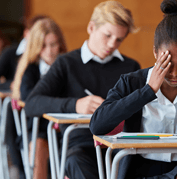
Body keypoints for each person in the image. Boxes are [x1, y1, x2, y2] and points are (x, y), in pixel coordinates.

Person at [90, 0, 177, 178]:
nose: (174, 73)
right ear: (155, 52)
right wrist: (148, 91)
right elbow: (97, 125)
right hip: (141, 169)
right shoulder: (132, 82)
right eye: (167, 63)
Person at [24, 1, 140, 179]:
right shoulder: (66, 63)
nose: (112, 44)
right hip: (81, 146)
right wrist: (75, 104)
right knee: (77, 161)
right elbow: (32, 103)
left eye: (119, 39)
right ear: (91, 27)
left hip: (121, 145)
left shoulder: (130, 66)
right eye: (107, 35)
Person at [10, 17, 67, 179]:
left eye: (53, 44)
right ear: (36, 46)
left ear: (60, 44)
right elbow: (31, 102)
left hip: (63, 127)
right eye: (43, 45)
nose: (49, 50)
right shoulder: (30, 70)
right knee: (40, 144)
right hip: (37, 130)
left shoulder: (67, 65)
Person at [0, 15, 47, 90]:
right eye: (35, 33)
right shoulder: (10, 53)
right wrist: (10, 84)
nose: (38, 38)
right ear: (26, 33)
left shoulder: (48, 55)